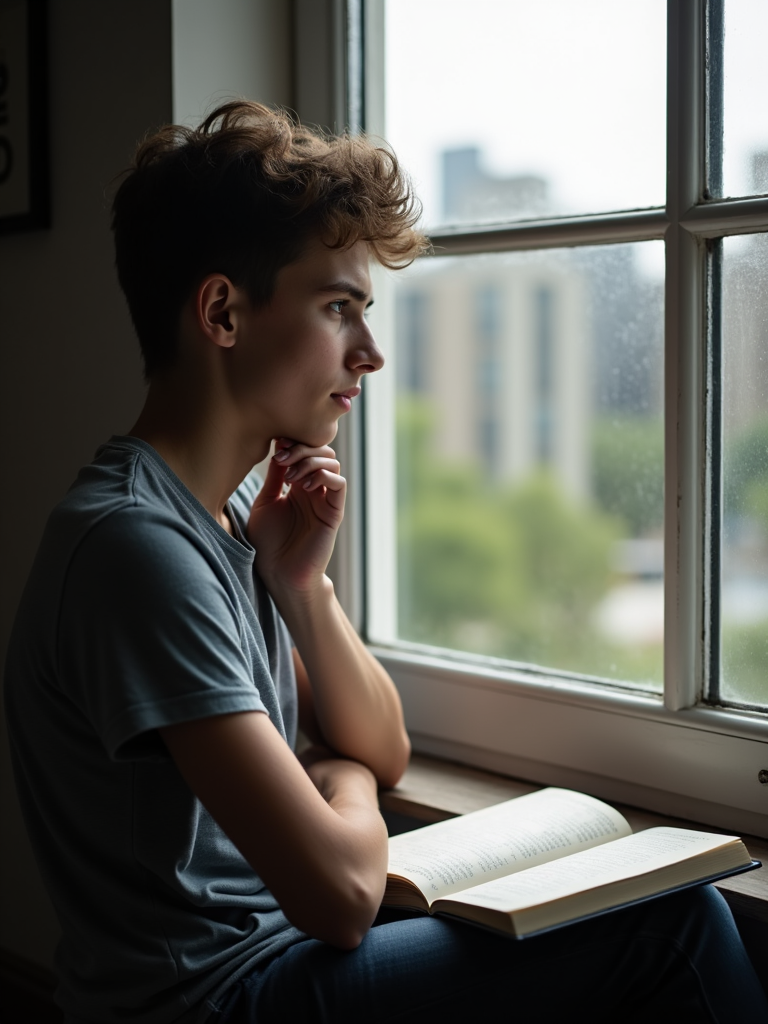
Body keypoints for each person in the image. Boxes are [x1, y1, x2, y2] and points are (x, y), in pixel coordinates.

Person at [4, 102, 767, 1024]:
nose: (369, 354)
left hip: (264, 966)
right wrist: (344, 786)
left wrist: (303, 588)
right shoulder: (136, 550)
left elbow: (379, 742)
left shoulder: (226, 517)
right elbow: (339, 891)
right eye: (339, 309)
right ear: (222, 312)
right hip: (212, 1002)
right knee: (675, 927)